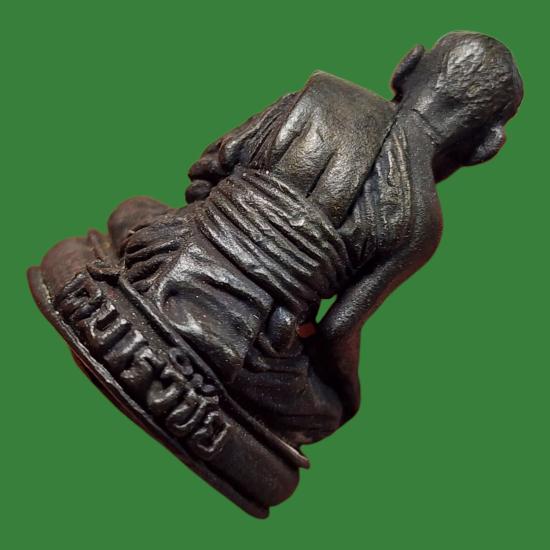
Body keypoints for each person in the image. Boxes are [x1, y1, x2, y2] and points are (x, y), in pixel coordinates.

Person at [47, 32, 525, 447]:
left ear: (407, 65)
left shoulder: (320, 95)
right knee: (328, 412)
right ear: (487, 146)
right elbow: (338, 331)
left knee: (130, 211)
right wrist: (346, 391)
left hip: (170, 257)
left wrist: (213, 230)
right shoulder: (422, 224)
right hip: (251, 342)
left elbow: (208, 170)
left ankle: (134, 300)